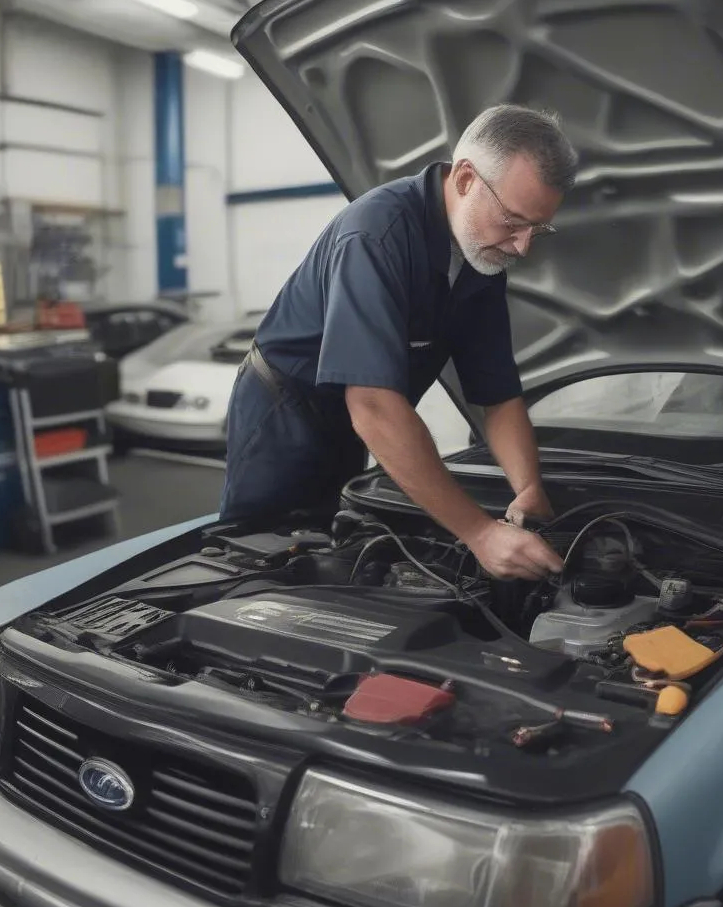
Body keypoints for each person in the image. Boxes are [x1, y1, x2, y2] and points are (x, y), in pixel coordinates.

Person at [219, 104, 578, 582]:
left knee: (331, 549)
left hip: (354, 419)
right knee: (259, 564)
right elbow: (371, 404)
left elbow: (498, 394)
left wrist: (528, 487)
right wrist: (480, 534)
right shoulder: (376, 234)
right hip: (285, 413)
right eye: (513, 221)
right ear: (467, 179)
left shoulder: (483, 255)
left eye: (538, 228)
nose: (522, 246)